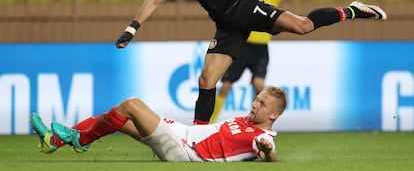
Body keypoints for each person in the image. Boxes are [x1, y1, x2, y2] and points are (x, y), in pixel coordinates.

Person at [115, 0, 387, 125]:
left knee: (303, 26)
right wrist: (131, 28)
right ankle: (197, 138)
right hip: (227, 26)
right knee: (207, 80)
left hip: (247, 8)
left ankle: (353, 10)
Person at [31, 86, 287, 162]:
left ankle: (81, 140)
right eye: (256, 99)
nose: (255, 105)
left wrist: (266, 150)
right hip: (182, 133)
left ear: (274, 116)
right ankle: (53, 142)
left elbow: (269, 155)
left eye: (262, 105)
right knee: (114, 118)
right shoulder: (245, 121)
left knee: (131, 104)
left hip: (186, 152)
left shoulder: (262, 137)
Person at [210, 0, 299, 124]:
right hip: (242, 46)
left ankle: (257, 123)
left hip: (260, 49)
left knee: (259, 86)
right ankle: (208, 125)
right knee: (225, 86)